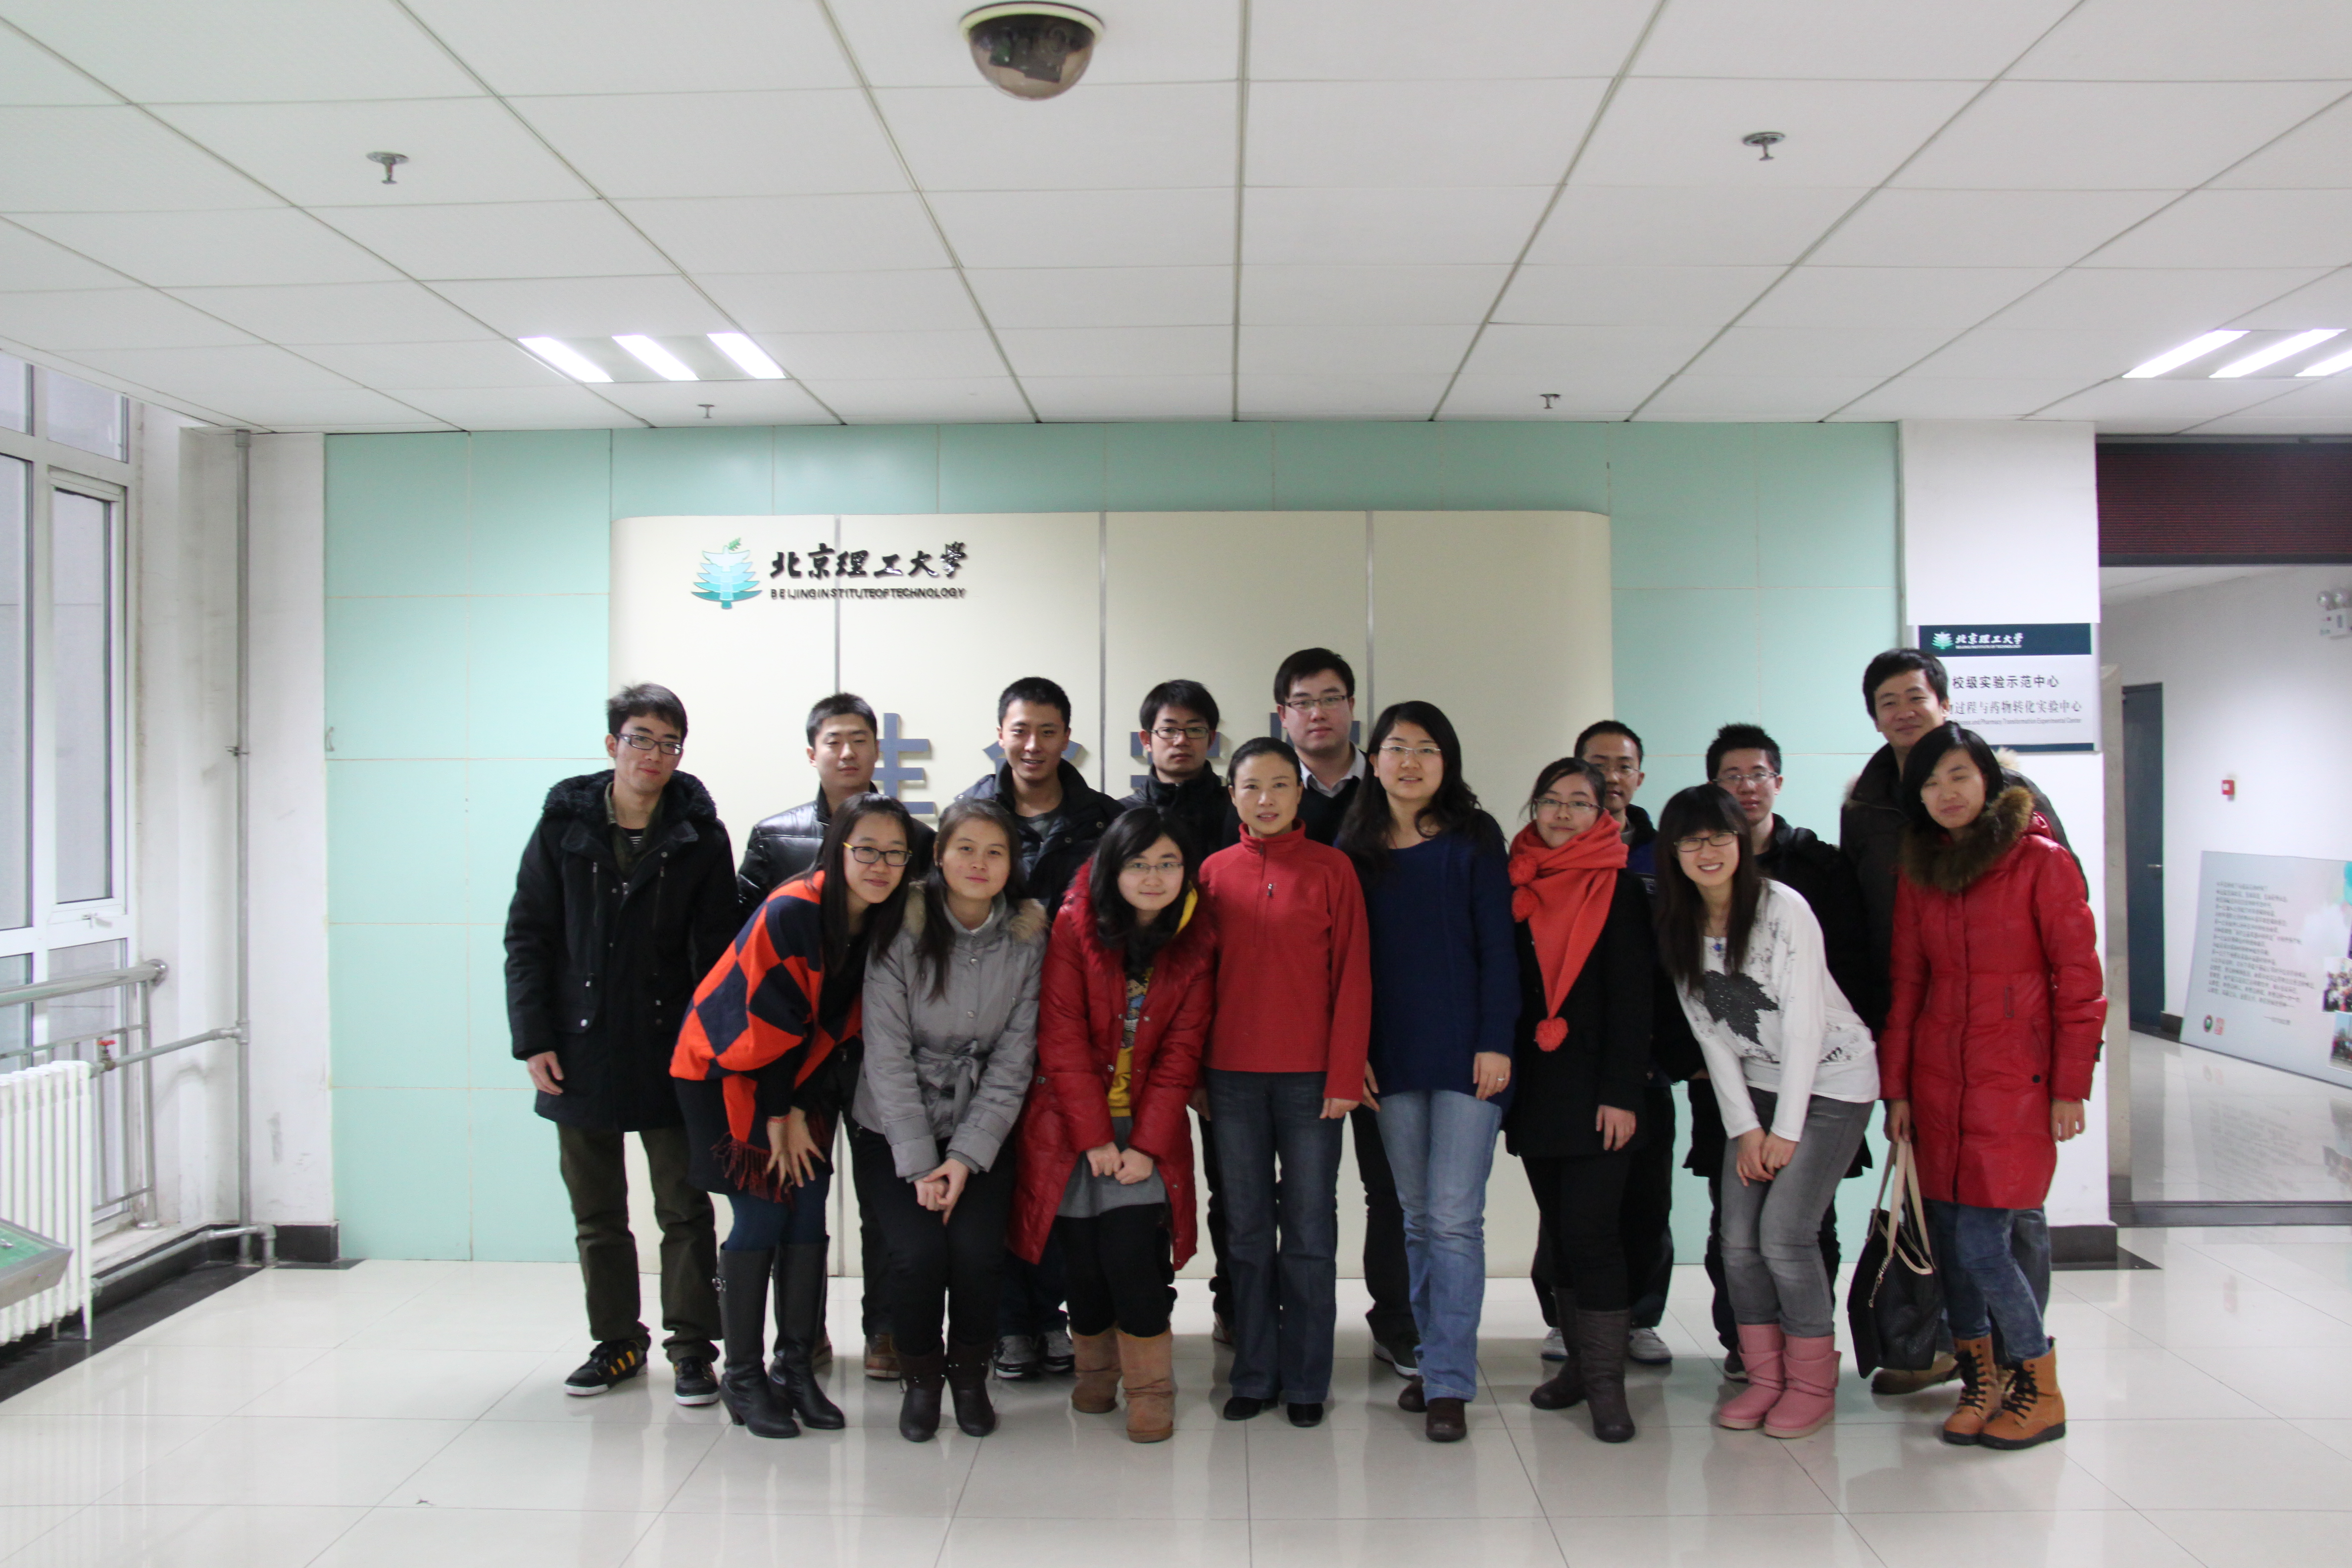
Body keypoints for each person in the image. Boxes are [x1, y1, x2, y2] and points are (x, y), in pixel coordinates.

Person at [1841, 648, 2070, 1396]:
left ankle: (2019, 1360)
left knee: (2008, 1213)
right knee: (1939, 1205)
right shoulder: (1868, 807)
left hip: (2009, 1045)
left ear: (1943, 702)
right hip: (1924, 1027)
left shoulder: (2016, 805)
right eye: (1887, 702)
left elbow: (2070, 950)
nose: (1903, 711)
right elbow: (1867, 925)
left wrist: (2070, 1073)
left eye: (1915, 696)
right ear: (1874, 718)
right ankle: (1956, 1353)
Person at [505, 683, 734, 1406]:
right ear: (613, 745)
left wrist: (714, 1050)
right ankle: (617, 1343)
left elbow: (718, 954)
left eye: (669, 744)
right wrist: (533, 1038)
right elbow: (528, 937)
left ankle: (692, 1348)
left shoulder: (701, 836)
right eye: (640, 739)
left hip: (674, 1051)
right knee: (598, 1214)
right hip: (580, 1047)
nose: (654, 755)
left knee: (685, 1209)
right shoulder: (563, 829)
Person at [1882, 724, 2104, 1451]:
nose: (1946, 793)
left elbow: (2080, 983)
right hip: (1938, 1083)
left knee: (1984, 1244)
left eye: (1959, 776)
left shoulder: (2041, 862)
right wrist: (1898, 1091)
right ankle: (1984, 1384)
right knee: (1952, 1247)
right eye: (1931, 782)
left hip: (2018, 1081)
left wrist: (2071, 1087)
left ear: (1988, 780)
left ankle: (2039, 1386)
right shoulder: (1920, 870)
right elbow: (1908, 986)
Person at [669, 794, 916, 1438]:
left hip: (796, 1079)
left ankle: (795, 1370)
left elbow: (828, 1029)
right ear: (837, 850)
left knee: (807, 1208)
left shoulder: (882, 921)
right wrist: (780, 1114)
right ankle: (742, 1377)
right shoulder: (794, 910)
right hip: (726, 1068)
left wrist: (798, 1106)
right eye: (867, 850)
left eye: (895, 854)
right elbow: (772, 1019)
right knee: (762, 1212)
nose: (881, 865)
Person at [1655, 784, 1880, 1441]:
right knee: (1738, 1239)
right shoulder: (1678, 922)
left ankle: (1811, 1384)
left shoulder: (1783, 909)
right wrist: (1747, 1130)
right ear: (1673, 852)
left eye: (1720, 836)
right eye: (1691, 840)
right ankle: (1765, 1377)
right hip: (1756, 1088)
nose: (1707, 851)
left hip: (1832, 1083)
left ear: (1741, 842)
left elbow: (1806, 1024)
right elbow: (1711, 1036)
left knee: (1785, 1234)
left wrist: (1785, 1131)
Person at [734, 691, 934, 1384]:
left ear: (879, 749)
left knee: (886, 1198)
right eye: (833, 741)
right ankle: (805, 1331)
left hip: (880, 1051)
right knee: (801, 1194)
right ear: (811, 751)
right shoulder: (775, 836)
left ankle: (885, 1329)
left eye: (860, 740)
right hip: (801, 1055)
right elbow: (744, 945)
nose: (847, 753)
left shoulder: (915, 838)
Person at [1339, 702, 1517, 1443]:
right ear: (1374, 760)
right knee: (1416, 1218)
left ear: (1448, 761)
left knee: (1453, 1219)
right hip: (1389, 1056)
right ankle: (1433, 1359)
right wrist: (1352, 1052)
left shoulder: (1474, 837)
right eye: (1395, 747)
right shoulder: (1353, 846)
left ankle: (1448, 1381)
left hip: (1469, 1053)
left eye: (1426, 749)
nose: (1409, 762)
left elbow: (1500, 945)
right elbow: (1344, 963)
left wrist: (1497, 1039)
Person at [1009, 807, 1215, 1443]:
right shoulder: (1075, 924)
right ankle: (1096, 1373)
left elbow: (1182, 1053)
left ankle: (1151, 1389)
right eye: (1138, 864)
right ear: (1111, 870)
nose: (1154, 877)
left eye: (1168, 864)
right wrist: (1095, 1138)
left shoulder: (1195, 937)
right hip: (1073, 1128)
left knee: (1132, 1258)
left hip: (1147, 1132)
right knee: (1084, 1265)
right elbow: (1061, 1037)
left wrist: (1145, 1146)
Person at [851, 798, 1046, 1441]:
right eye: (965, 849)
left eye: (995, 852)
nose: (979, 864)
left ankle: (968, 1377)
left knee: (977, 1253)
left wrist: (963, 1159)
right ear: (937, 855)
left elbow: (1014, 1062)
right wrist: (920, 1166)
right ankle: (921, 1380)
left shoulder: (1026, 938)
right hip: (891, 1127)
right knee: (916, 1254)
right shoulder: (898, 929)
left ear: (1012, 863)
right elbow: (886, 1056)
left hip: (978, 1125)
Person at [1199, 735, 1372, 1428]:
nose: (1265, 799)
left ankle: (1305, 1380)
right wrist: (1195, 1077)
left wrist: (1345, 1073)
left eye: (1279, 785)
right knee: (1245, 1232)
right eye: (1251, 786)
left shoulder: (1333, 869)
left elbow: (1354, 976)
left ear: (1300, 792)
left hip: (1311, 1082)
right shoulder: (1212, 873)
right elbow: (1193, 984)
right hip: (1230, 1081)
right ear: (1233, 795)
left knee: (1308, 1232)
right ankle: (1253, 1374)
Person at [1263, 648, 1419, 1378]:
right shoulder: (1267, 794)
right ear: (1282, 715)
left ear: (1353, 708)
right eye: (1303, 701)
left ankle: (1399, 1325)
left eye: (1331, 698)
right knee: (1289, 1195)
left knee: (1390, 1186)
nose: (1318, 713)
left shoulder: (1390, 787)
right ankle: (1261, 1322)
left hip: (1386, 1020)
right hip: (1288, 1031)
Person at [960, 677, 1115, 1382]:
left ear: (1067, 738)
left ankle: (1051, 1316)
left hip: (1072, 1023)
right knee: (995, 1170)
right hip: (988, 1020)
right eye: (1020, 731)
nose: (1032, 745)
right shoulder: (971, 814)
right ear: (1001, 734)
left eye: (1048, 732)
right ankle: (1006, 1322)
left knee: (1058, 1169)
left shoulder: (1105, 820)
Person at [1503, 758, 1653, 1444]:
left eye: (1579, 802)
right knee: (1560, 1234)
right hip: (1539, 1090)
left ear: (1603, 814)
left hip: (1600, 1092)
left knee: (1594, 1235)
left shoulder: (1619, 888)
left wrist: (1622, 1093)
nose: (1563, 813)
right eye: (1551, 800)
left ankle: (1606, 1384)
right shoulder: (1517, 878)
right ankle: (1576, 1369)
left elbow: (1634, 998)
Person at [1540, 719, 1679, 1373]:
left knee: (1645, 1205)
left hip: (1648, 1065)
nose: (1612, 776)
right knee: (1572, 1214)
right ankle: (1571, 1327)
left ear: (1637, 777)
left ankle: (1639, 1319)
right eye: (1598, 765)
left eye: (1623, 766)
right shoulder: (1532, 868)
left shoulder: (1663, 854)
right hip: (1565, 1072)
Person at [1120, 679, 1235, 860]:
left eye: (1195, 730)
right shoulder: (1121, 815)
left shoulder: (1237, 810)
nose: (1181, 740)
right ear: (1147, 740)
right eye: (1169, 730)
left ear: (1211, 739)